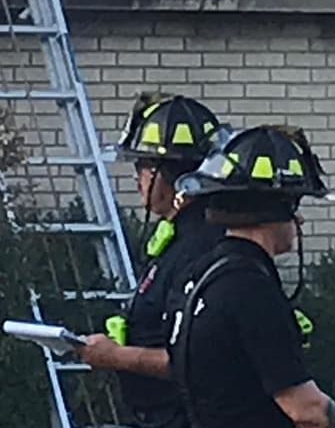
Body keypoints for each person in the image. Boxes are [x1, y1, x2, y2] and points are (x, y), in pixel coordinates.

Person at [165, 125, 335, 428]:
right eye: (294, 204)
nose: (299, 219)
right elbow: (306, 409)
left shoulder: (200, 274)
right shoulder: (251, 289)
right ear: (275, 208)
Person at [76, 93, 227, 428]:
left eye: (142, 167)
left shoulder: (202, 248)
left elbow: (194, 359)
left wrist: (116, 356)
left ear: (172, 175)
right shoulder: (177, 241)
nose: (137, 179)